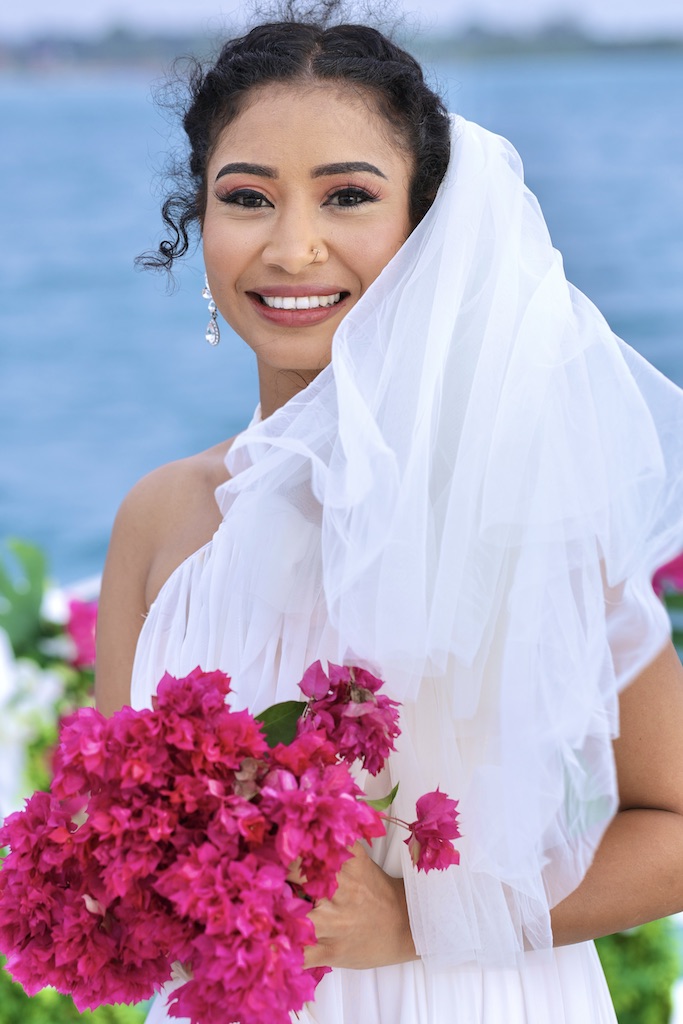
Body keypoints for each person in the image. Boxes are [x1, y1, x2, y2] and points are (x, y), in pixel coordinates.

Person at [95, 11, 683, 1024]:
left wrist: (418, 925)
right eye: (247, 198)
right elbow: (120, 840)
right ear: (199, 222)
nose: (292, 245)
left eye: (347, 196)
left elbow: (672, 823)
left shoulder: (512, 506)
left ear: (424, 227)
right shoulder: (161, 518)